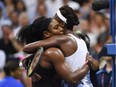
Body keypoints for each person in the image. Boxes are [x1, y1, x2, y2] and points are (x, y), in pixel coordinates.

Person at [19, 5, 99, 86]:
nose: (60, 29)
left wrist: (88, 64)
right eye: (56, 27)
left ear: (62, 24)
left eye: (58, 26)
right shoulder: (79, 39)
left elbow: (27, 48)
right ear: (46, 34)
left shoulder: (60, 42)